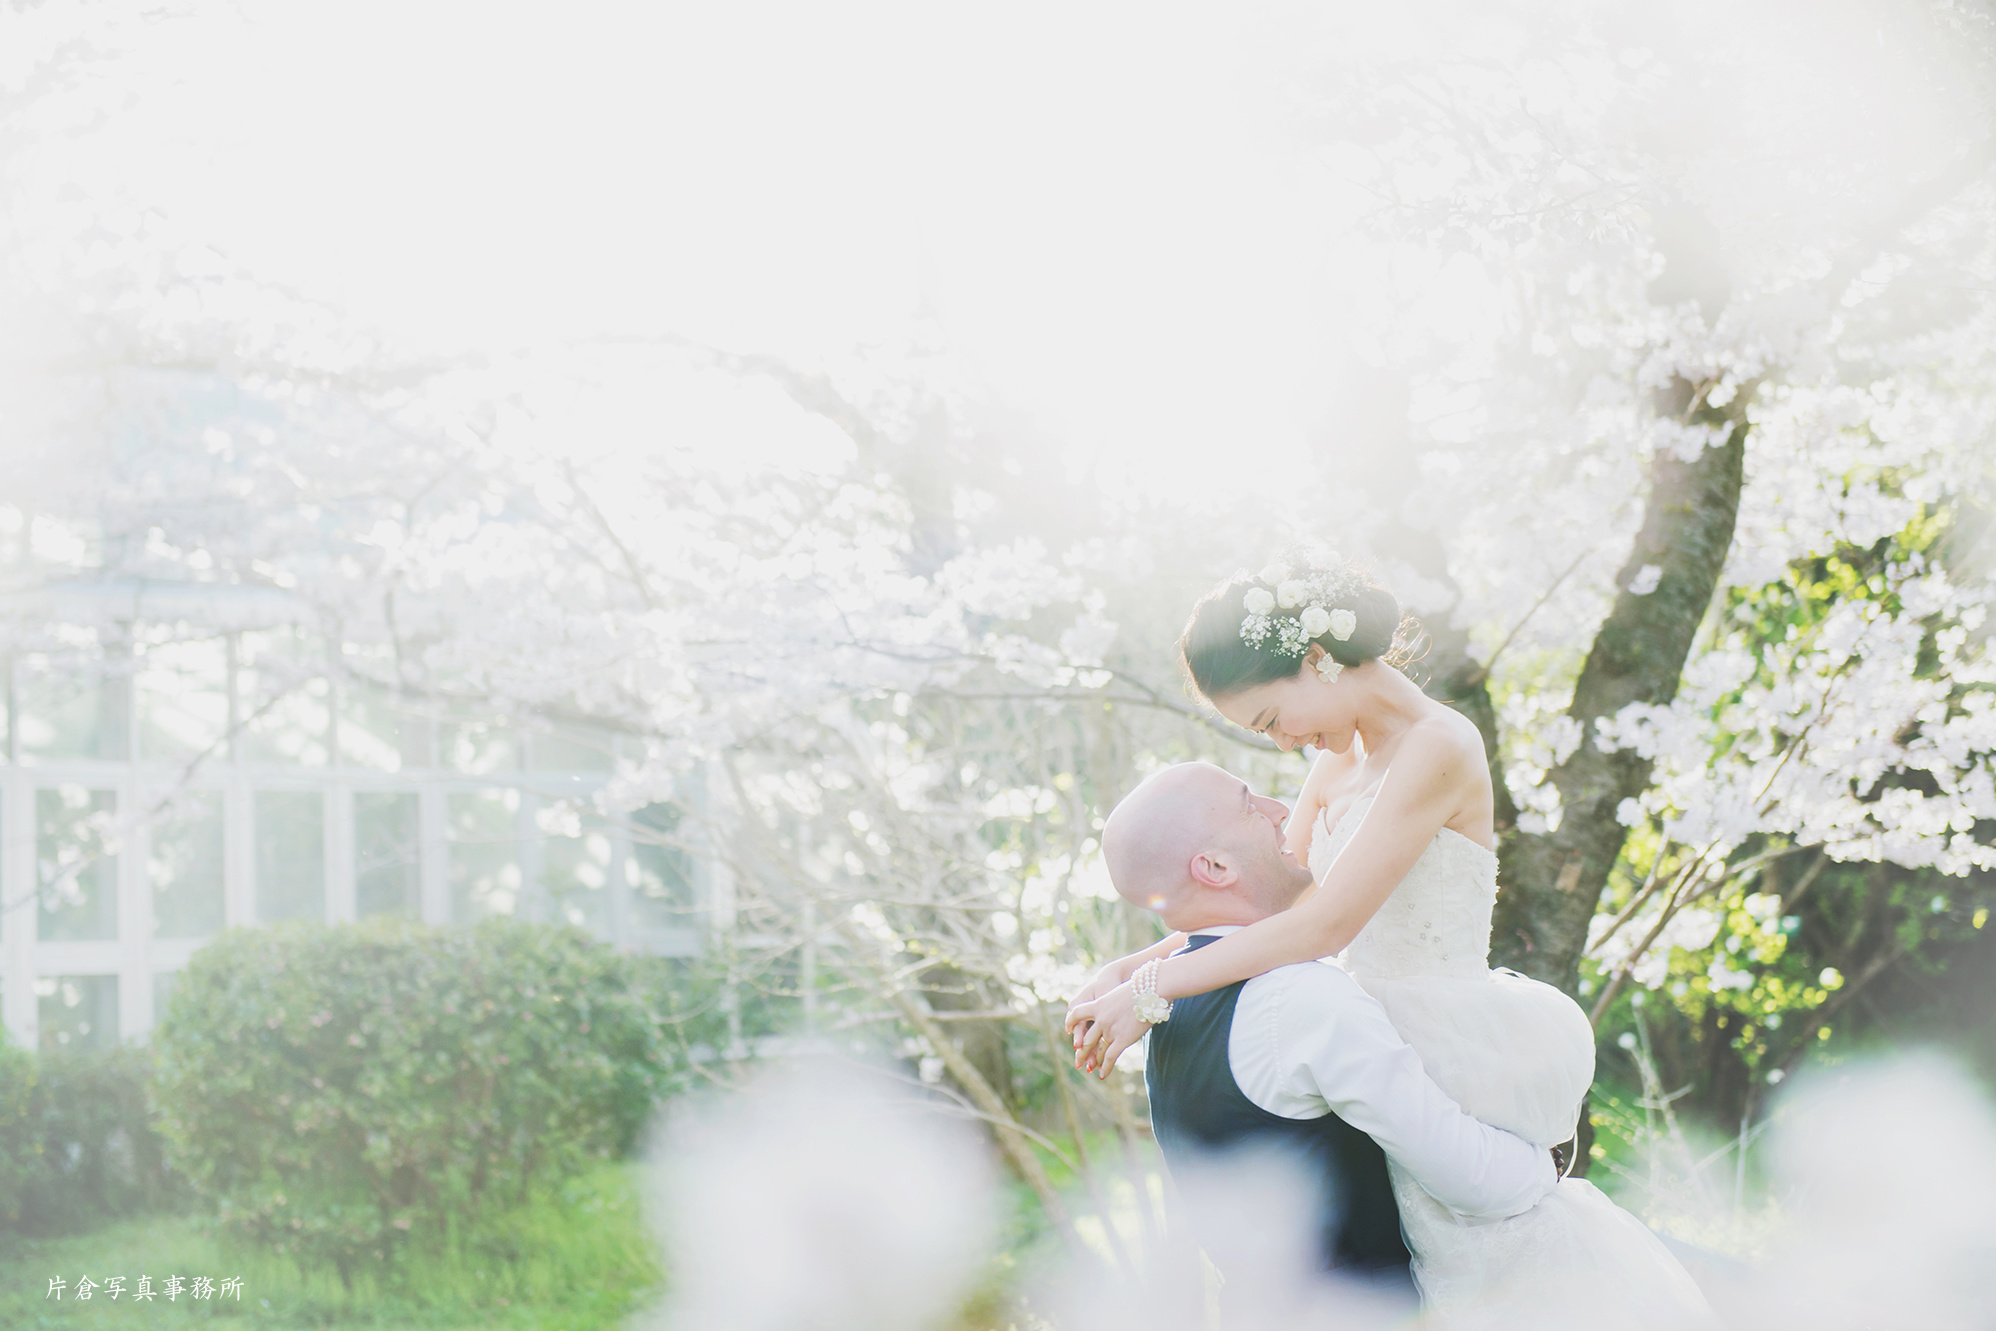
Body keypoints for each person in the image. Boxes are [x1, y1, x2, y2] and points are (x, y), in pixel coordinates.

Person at [1066, 552, 1712, 1324]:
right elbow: (1273, 909)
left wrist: (1154, 990)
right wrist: (1128, 967)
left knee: (1491, 1270)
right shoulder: (1336, 761)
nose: (1282, 746)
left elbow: (1327, 924)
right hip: (1368, 1024)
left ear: (1316, 660)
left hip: (1447, 1040)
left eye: (1273, 719)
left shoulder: (1440, 744)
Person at [1100, 761, 1558, 1310]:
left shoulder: (1166, 1012)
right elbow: (1473, 1181)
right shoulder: (1300, 1000)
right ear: (1216, 866)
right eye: (1251, 804)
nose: (1281, 811)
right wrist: (1546, 1164)